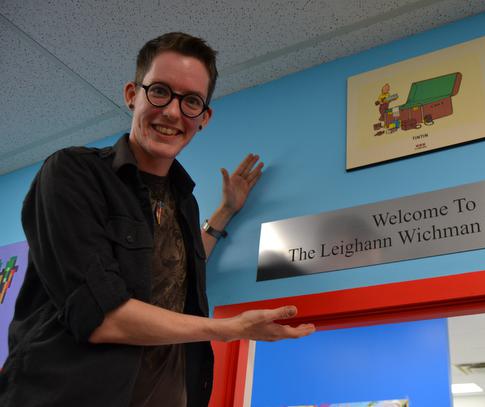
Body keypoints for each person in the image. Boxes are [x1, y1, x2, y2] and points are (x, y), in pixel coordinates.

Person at [0, 32, 315, 407]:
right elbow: (103, 317)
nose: (172, 112)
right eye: (160, 91)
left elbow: (175, 265)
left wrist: (226, 211)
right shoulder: (72, 173)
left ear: (204, 117)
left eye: (191, 101)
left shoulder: (185, 201)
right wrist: (229, 329)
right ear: (132, 94)